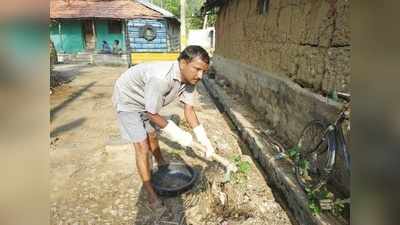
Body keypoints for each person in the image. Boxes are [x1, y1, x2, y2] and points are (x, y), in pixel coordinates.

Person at [112, 45, 215, 210]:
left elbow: (189, 110)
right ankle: (151, 195)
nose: (201, 75)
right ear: (183, 63)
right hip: (128, 99)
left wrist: (204, 141)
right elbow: (152, 113)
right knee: (142, 146)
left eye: (204, 71)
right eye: (197, 69)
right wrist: (180, 136)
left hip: (147, 101)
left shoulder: (191, 79)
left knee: (152, 135)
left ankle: (161, 164)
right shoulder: (161, 79)